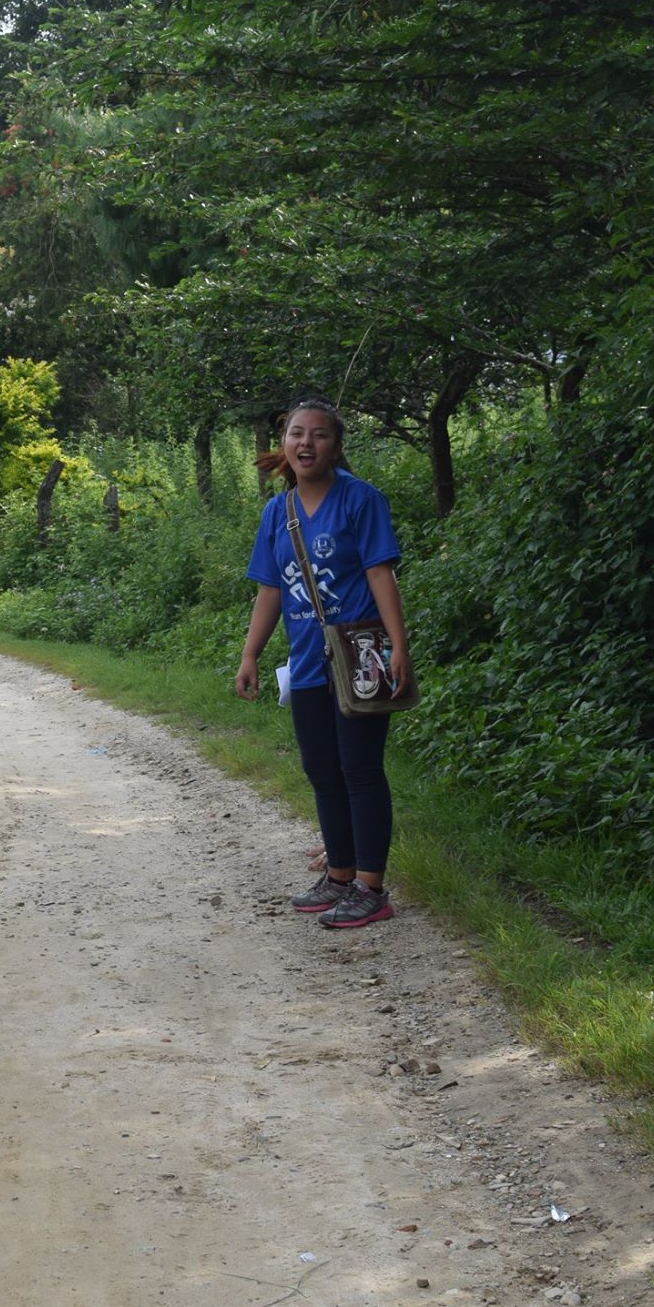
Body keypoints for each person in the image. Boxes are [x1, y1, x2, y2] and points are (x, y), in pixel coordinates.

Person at [235, 396, 412, 929]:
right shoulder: (277, 512)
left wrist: (398, 646)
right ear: (284, 444)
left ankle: (371, 888)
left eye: (319, 434)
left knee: (360, 769)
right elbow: (270, 589)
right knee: (322, 770)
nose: (306, 442)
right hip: (308, 662)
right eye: (296, 433)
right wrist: (250, 654)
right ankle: (339, 875)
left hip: (361, 657)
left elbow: (380, 573)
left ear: (336, 447)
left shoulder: (361, 500)